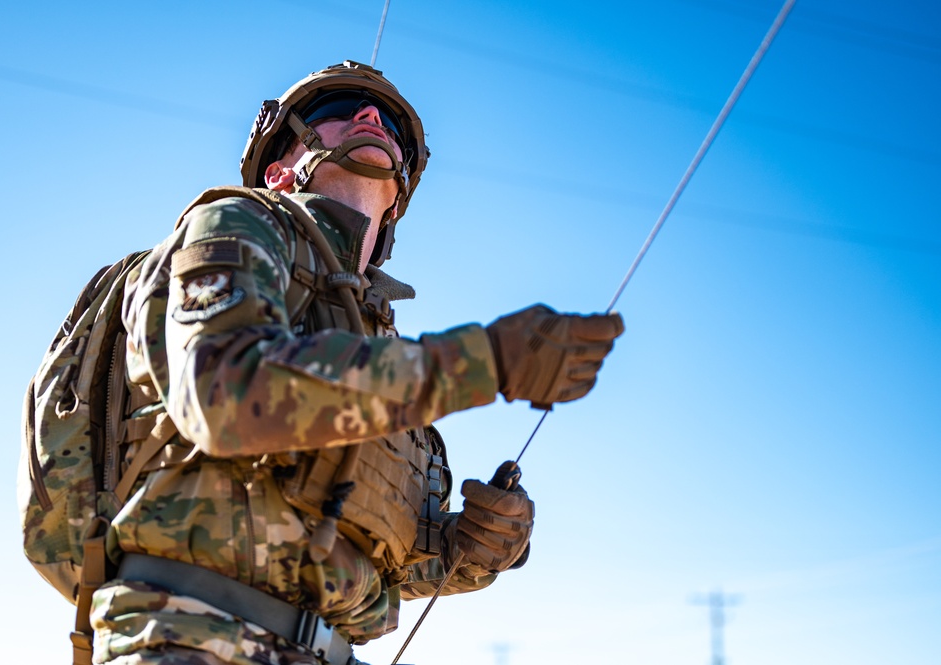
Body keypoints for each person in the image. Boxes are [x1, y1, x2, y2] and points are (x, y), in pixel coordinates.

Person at [91, 60, 623, 665]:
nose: (371, 118)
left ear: (397, 200)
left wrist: (463, 550)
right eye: (334, 112)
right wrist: (485, 360)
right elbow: (225, 395)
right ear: (280, 171)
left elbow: (370, 559)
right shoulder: (234, 224)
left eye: (391, 125)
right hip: (195, 639)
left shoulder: (367, 344)